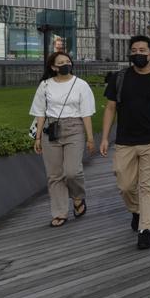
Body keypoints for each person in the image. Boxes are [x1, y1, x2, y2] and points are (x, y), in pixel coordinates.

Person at [100, 35, 150, 249]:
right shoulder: (119, 78)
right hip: (125, 141)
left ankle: (146, 228)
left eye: (143, 50)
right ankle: (136, 210)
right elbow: (110, 108)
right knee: (125, 185)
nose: (138, 54)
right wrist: (105, 137)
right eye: (134, 50)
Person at [30, 52, 95, 227]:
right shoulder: (45, 85)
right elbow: (40, 113)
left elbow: (86, 114)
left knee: (72, 172)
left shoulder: (81, 85)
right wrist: (37, 138)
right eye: (61, 62)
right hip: (50, 130)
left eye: (68, 61)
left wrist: (90, 138)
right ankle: (59, 212)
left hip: (74, 129)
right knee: (55, 175)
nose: (66, 64)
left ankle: (78, 197)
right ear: (53, 67)